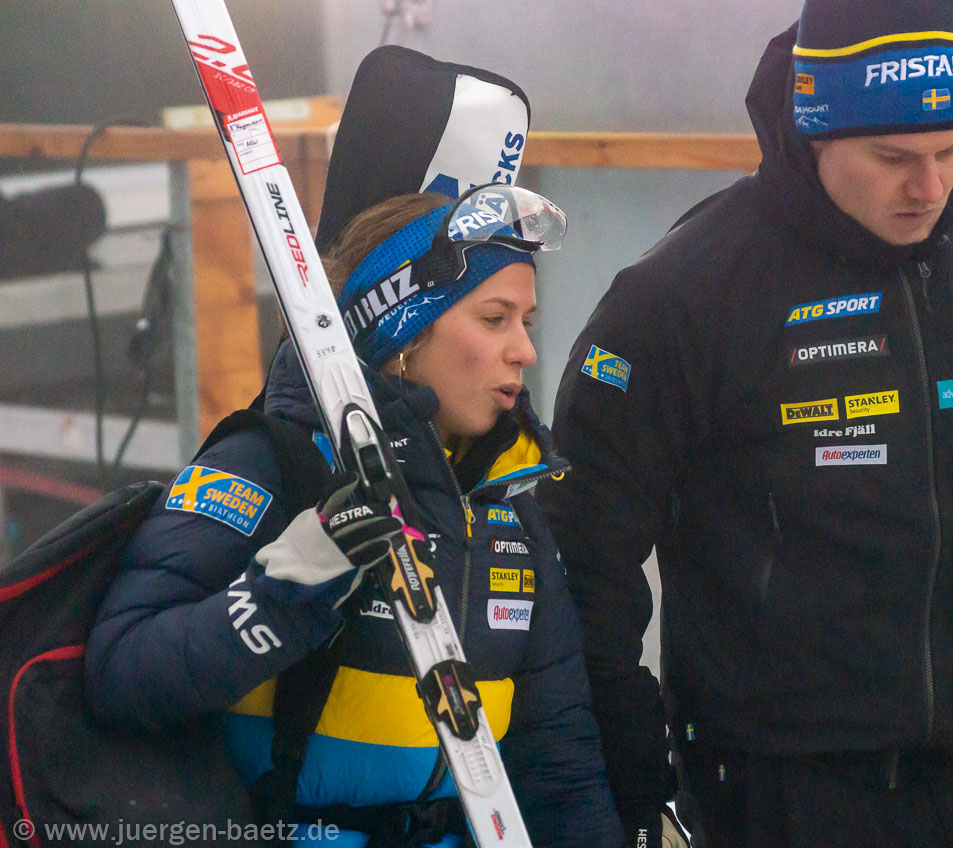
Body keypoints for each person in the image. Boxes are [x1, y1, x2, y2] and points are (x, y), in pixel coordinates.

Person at [537, 1, 953, 846]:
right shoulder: (686, 292)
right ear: (815, 130)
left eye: (952, 150)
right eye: (893, 157)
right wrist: (628, 783)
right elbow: (586, 555)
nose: (930, 187)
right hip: (779, 791)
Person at [87, 186, 626, 848]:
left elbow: (559, 771)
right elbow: (119, 675)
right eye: (494, 319)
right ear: (402, 330)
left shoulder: (508, 514)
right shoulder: (268, 463)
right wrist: (281, 595)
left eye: (527, 323)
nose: (525, 351)